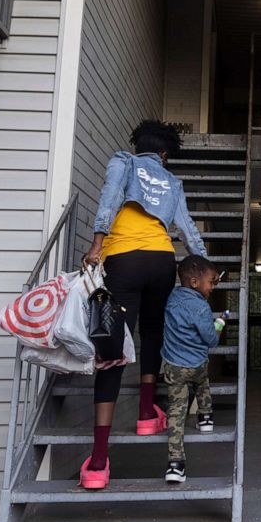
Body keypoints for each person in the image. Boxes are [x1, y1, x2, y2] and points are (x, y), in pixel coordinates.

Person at [78, 120, 208, 490]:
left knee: (112, 347)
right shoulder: (173, 182)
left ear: (139, 147)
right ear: (164, 154)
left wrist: (96, 245)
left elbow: (109, 197)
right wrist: (205, 267)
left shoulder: (125, 161)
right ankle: (146, 414)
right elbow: (188, 230)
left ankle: (99, 461)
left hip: (125, 259)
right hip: (162, 261)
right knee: (153, 333)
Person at [161, 255, 226, 483]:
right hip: (197, 365)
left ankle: (175, 464)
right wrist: (218, 326)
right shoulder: (201, 307)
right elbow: (210, 340)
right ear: (195, 283)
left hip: (174, 367)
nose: (213, 287)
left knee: (176, 412)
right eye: (211, 282)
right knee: (203, 383)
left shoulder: (171, 299)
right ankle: (206, 417)